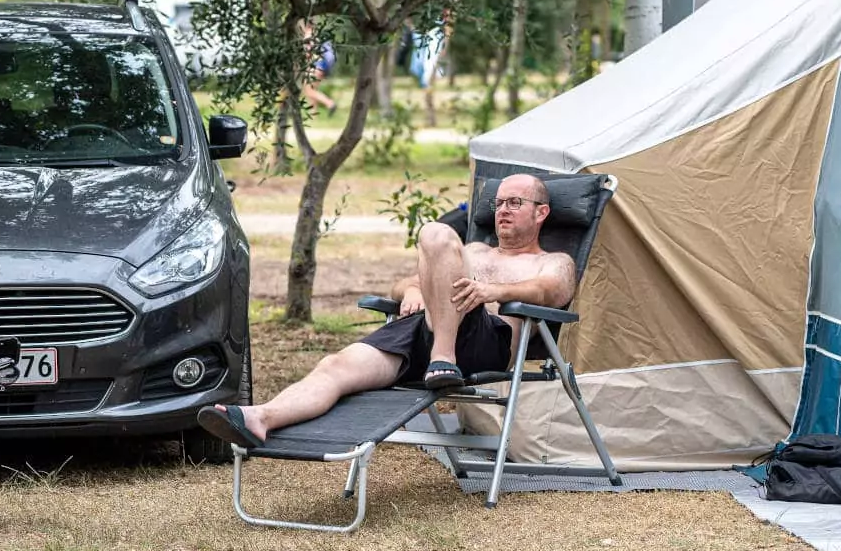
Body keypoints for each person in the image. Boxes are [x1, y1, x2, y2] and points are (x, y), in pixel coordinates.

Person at [196, 173, 575, 449]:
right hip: (419, 332)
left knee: (435, 233)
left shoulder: (554, 261)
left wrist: (493, 290)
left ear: (541, 212)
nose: (502, 211)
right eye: (499, 203)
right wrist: (414, 291)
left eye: (515, 203)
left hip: (482, 342)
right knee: (335, 366)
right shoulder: (473, 253)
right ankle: (260, 418)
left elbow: (551, 292)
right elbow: (401, 285)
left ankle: (443, 358)